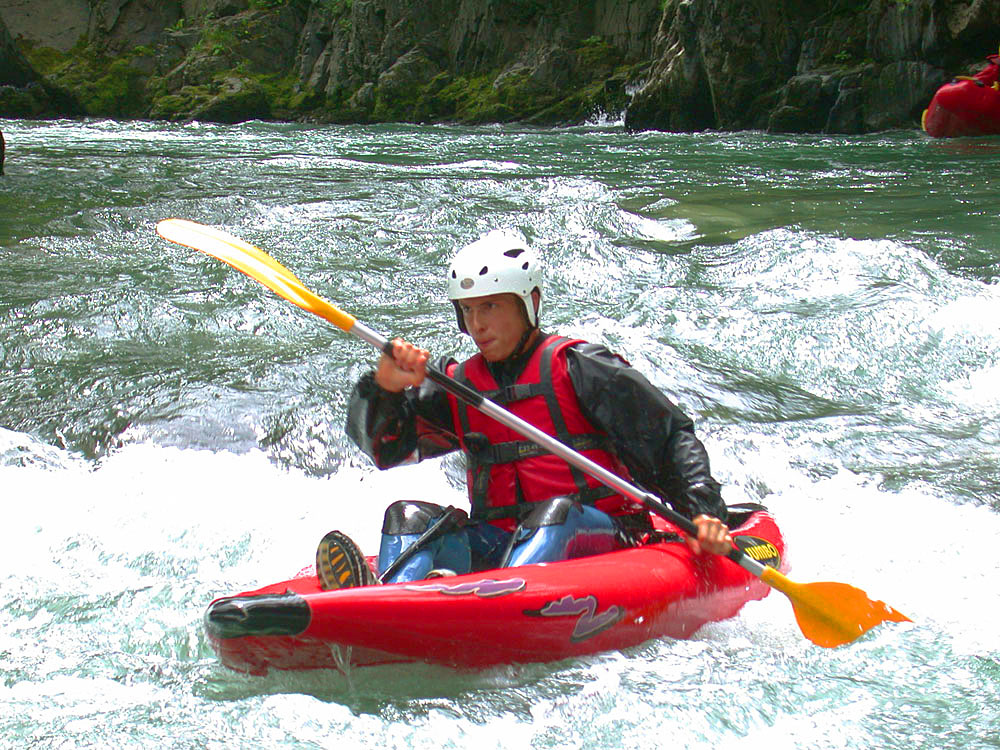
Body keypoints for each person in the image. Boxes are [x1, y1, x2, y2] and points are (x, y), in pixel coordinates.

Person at [317, 230, 732, 589]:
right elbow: (384, 449)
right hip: (500, 542)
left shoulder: (582, 368)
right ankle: (395, 595)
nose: (477, 324)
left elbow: (671, 437)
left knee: (556, 514)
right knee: (405, 516)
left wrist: (702, 512)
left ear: (528, 303)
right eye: (468, 310)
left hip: (598, 539)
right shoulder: (458, 386)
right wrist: (384, 388)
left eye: (491, 307)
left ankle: (484, 597)